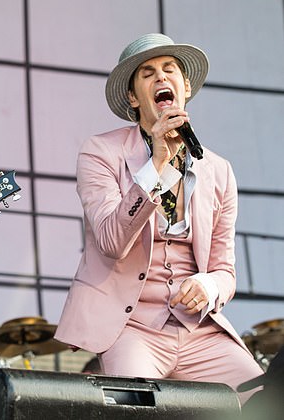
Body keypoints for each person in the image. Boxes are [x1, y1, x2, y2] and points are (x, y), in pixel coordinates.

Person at [54, 33, 263, 403]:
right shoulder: (101, 152)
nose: (161, 77)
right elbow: (111, 241)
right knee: (136, 407)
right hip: (131, 327)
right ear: (134, 97)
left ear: (185, 88)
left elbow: (225, 271)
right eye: (147, 73)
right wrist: (157, 165)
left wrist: (209, 286)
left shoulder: (219, 170)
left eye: (170, 70)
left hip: (200, 333)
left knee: (268, 398)